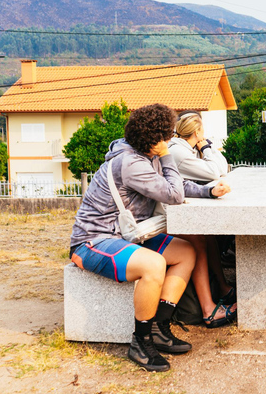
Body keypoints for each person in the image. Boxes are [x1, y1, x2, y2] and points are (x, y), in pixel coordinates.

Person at [69, 103, 231, 372]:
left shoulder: (145, 156)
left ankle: (158, 327)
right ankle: (141, 342)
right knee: (154, 264)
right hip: (93, 241)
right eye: (167, 135)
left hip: (124, 235)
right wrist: (167, 155)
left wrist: (208, 191)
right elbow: (174, 194)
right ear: (156, 138)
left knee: (186, 252)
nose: (171, 139)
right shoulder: (130, 163)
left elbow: (174, 184)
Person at [167, 111, 237, 326]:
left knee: (207, 236)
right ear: (197, 131)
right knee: (198, 239)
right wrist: (206, 149)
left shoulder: (187, 149)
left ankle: (222, 288)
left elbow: (222, 166)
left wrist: (206, 147)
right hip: (163, 218)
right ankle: (209, 309)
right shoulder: (177, 152)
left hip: (169, 213)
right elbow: (215, 172)